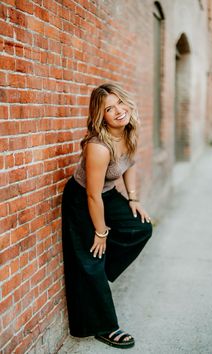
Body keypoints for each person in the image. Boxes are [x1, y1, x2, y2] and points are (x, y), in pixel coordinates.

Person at [61, 83, 152, 349]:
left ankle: (95, 277)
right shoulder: (98, 147)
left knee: (141, 228)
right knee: (92, 257)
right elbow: (92, 195)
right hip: (83, 198)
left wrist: (133, 198)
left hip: (107, 193)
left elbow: (129, 164)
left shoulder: (129, 131)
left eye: (119, 103)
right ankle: (105, 327)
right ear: (101, 117)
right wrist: (101, 232)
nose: (117, 111)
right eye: (108, 109)